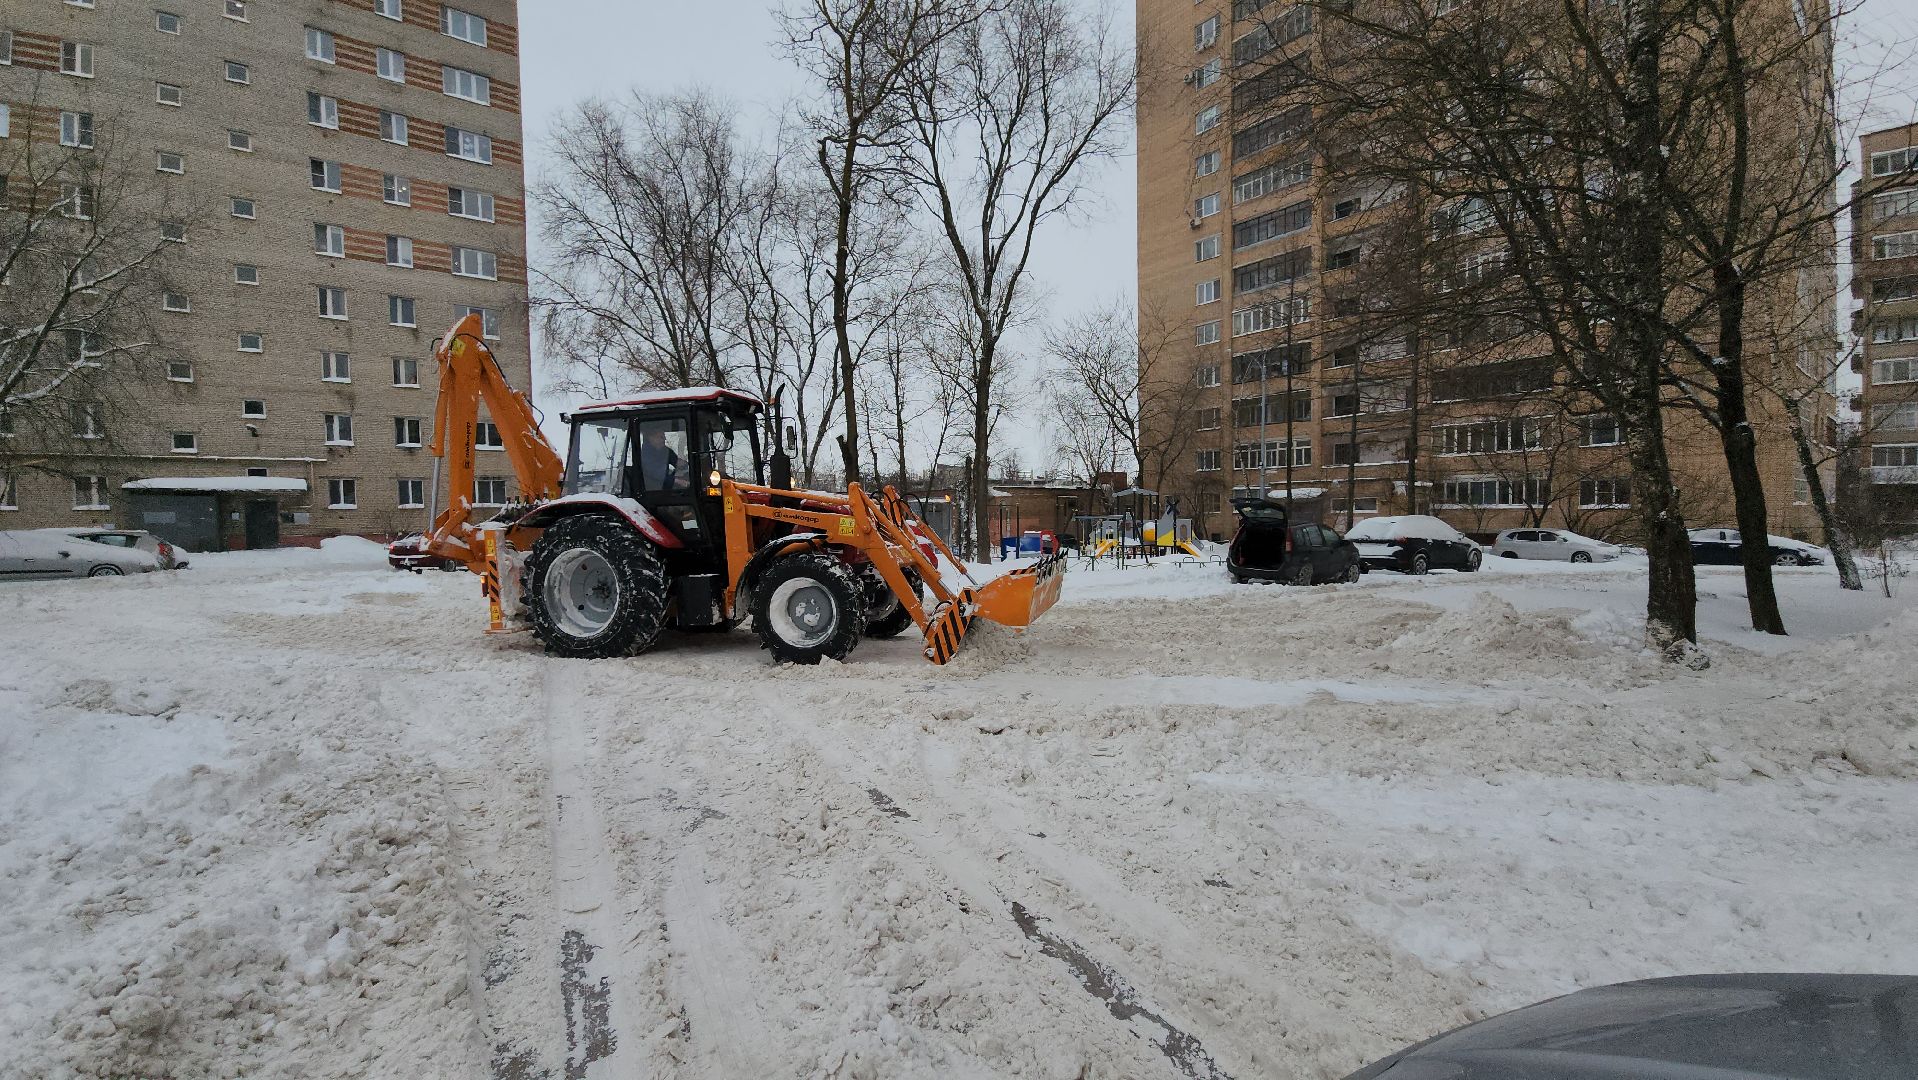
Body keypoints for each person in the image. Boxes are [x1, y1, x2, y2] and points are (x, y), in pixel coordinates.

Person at [636, 425, 683, 491]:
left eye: (664, 437)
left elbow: (676, 461)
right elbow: (656, 473)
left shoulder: (664, 450)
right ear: (651, 438)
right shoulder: (646, 454)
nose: (665, 439)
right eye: (661, 437)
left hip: (664, 486)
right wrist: (677, 480)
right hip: (651, 490)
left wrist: (682, 464)